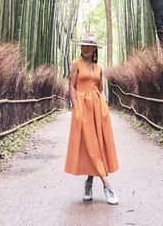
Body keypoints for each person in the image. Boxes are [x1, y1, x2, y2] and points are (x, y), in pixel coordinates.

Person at [64, 32, 119, 204]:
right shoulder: (75, 64)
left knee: (97, 145)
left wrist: (104, 106)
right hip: (82, 106)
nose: (85, 48)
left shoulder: (99, 68)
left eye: (88, 45)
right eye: (83, 45)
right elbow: (71, 86)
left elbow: (101, 89)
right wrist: (75, 105)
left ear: (94, 48)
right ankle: (107, 185)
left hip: (97, 107)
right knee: (90, 144)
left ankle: (89, 183)